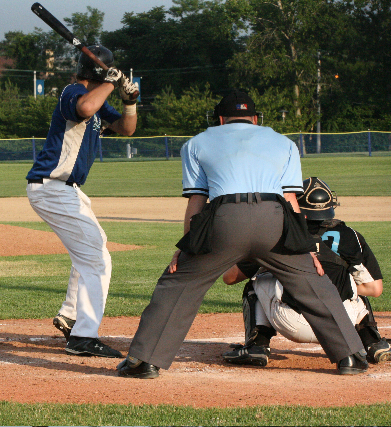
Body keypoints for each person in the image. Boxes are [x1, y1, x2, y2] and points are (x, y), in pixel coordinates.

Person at [116, 90, 368, 379]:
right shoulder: (283, 142)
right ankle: (351, 354)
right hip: (274, 219)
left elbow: (197, 202)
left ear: (220, 119)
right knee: (313, 282)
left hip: (226, 219)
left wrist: (187, 248)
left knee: (179, 283)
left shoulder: (197, 143)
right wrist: (308, 250)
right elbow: (291, 201)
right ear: (256, 118)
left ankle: (145, 361)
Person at [25, 45, 138, 358]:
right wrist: (112, 83)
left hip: (67, 190)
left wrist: (130, 103)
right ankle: (83, 337)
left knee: (95, 247)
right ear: (103, 72)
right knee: (97, 260)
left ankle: (71, 315)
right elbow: (86, 108)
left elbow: (127, 129)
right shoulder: (72, 91)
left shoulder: (98, 100)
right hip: (52, 187)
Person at [222, 177, 389, 366]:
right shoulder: (350, 235)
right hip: (341, 323)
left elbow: (229, 278)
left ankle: (257, 346)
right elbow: (375, 289)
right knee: (353, 286)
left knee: (255, 282)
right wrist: (335, 285)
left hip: (292, 323)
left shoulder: (275, 233)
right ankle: (372, 343)